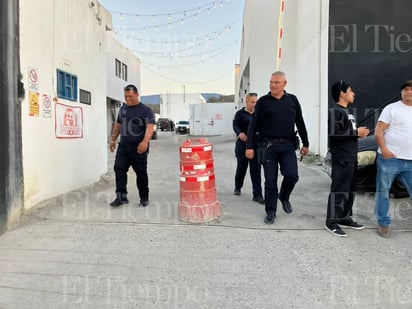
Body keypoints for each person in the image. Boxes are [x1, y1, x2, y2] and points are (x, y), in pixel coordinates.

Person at [246, 71, 309, 224]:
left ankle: (284, 196)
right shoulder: (263, 102)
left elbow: (300, 122)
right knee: (270, 181)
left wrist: (306, 143)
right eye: (271, 82)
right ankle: (271, 211)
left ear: (284, 84)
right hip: (269, 147)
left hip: (287, 146)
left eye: (276, 82)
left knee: (292, 175)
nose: (273, 85)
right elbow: (253, 125)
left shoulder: (292, 100)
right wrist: (249, 147)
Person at [326, 80, 369, 237]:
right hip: (341, 158)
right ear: (342, 93)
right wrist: (356, 133)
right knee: (339, 190)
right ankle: (331, 221)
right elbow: (334, 134)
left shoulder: (347, 112)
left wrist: (356, 133)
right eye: (350, 91)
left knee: (350, 190)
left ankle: (344, 217)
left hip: (351, 157)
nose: (353, 93)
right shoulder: (335, 111)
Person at [374, 80, 412, 238]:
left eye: (411, 89)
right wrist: (384, 150)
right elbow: (379, 131)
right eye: (405, 89)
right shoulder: (391, 108)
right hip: (390, 159)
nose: (408, 92)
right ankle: (383, 223)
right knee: (383, 191)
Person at [109, 84, 155, 207]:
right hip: (123, 147)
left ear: (137, 94)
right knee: (119, 170)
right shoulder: (123, 109)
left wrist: (145, 142)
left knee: (141, 173)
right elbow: (118, 125)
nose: (128, 99)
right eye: (125, 96)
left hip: (139, 149)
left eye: (130, 96)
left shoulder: (146, 110)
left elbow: (150, 128)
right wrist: (112, 140)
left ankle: (144, 198)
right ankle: (121, 197)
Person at [232, 92, 264, 204]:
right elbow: (235, 125)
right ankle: (238, 186)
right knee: (242, 168)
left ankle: (257, 195)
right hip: (243, 145)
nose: (254, 104)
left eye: (256, 102)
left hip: (256, 145)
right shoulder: (240, 114)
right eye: (252, 102)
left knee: (256, 170)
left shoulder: (259, 114)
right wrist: (240, 133)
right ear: (247, 102)